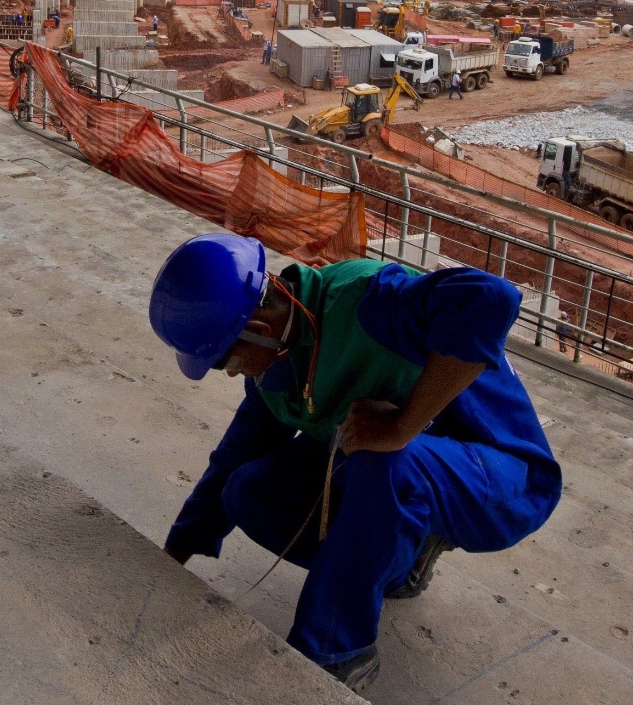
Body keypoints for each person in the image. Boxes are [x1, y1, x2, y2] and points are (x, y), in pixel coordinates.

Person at [151, 234, 561, 690]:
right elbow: (232, 459)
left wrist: (403, 425)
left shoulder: (368, 303)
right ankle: (402, 562)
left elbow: (490, 299)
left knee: (382, 458)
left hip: (499, 475)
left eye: (224, 359)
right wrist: (172, 555)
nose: (229, 371)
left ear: (260, 329)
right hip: (405, 472)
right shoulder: (275, 367)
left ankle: (336, 652)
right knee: (246, 491)